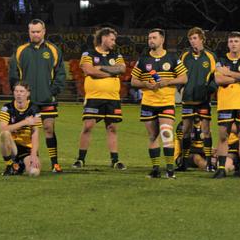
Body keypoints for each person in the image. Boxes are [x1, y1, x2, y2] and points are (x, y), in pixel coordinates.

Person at [9, 19, 66, 173]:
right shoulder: (21, 50)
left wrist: (52, 91)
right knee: (25, 132)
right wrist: (19, 94)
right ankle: (24, 162)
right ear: (29, 32)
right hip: (27, 101)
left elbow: (61, 73)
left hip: (46, 99)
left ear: (44, 31)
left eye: (38, 31)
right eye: (32, 31)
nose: (35, 34)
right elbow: (13, 74)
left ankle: (55, 164)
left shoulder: (53, 50)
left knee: (48, 128)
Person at [130, 28, 187, 178]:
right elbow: (133, 81)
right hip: (148, 103)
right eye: (149, 38)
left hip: (166, 102)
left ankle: (169, 169)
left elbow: (183, 78)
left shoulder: (172, 58)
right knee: (153, 136)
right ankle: (155, 169)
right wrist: (146, 84)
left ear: (162, 40)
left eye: (154, 38)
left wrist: (167, 82)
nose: (151, 40)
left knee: (166, 134)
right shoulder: (143, 60)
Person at [72, 27, 126, 170]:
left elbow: (121, 69)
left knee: (112, 128)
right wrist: (110, 73)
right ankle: (80, 159)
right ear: (104, 38)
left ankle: (115, 160)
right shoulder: (88, 53)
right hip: (94, 97)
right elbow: (89, 70)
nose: (114, 42)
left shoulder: (116, 55)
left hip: (113, 98)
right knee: (88, 126)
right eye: (112, 39)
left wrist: (101, 67)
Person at [213, 31, 240, 179]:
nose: (233, 44)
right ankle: (220, 169)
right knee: (223, 136)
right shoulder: (220, 60)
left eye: (236, 41)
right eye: (231, 41)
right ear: (228, 44)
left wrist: (229, 73)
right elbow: (219, 80)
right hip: (225, 103)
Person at [178, 27, 217, 171]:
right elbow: (179, 74)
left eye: (195, 38)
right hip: (188, 100)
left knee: (206, 131)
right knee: (186, 130)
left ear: (201, 39)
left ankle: (210, 164)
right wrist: (181, 89)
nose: (192, 41)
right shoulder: (184, 56)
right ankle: (183, 163)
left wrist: (209, 90)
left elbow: (215, 77)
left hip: (203, 101)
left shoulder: (210, 56)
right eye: (190, 39)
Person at [0, 82, 42, 176]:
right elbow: (2, 129)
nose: (18, 93)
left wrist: (33, 155)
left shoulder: (34, 109)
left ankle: (19, 167)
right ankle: (9, 165)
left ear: (28, 93)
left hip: (27, 149)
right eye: (16, 91)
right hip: (13, 147)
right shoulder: (7, 107)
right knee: (4, 134)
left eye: (21, 91)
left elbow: (35, 134)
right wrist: (25, 122)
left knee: (34, 172)